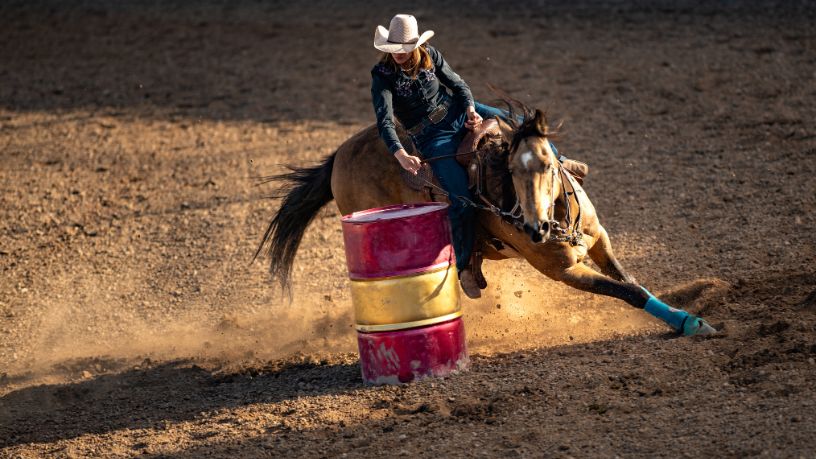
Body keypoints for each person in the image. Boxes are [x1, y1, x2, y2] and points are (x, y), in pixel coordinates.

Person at [371, 14, 512, 299]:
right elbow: (385, 120)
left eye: (404, 48)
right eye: (394, 49)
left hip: (458, 112)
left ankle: (558, 162)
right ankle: (464, 267)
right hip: (432, 137)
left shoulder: (431, 55)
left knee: (519, 121)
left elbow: (458, 85)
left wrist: (471, 109)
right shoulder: (382, 76)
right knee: (460, 199)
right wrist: (401, 154)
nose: (399, 54)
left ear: (415, 45)